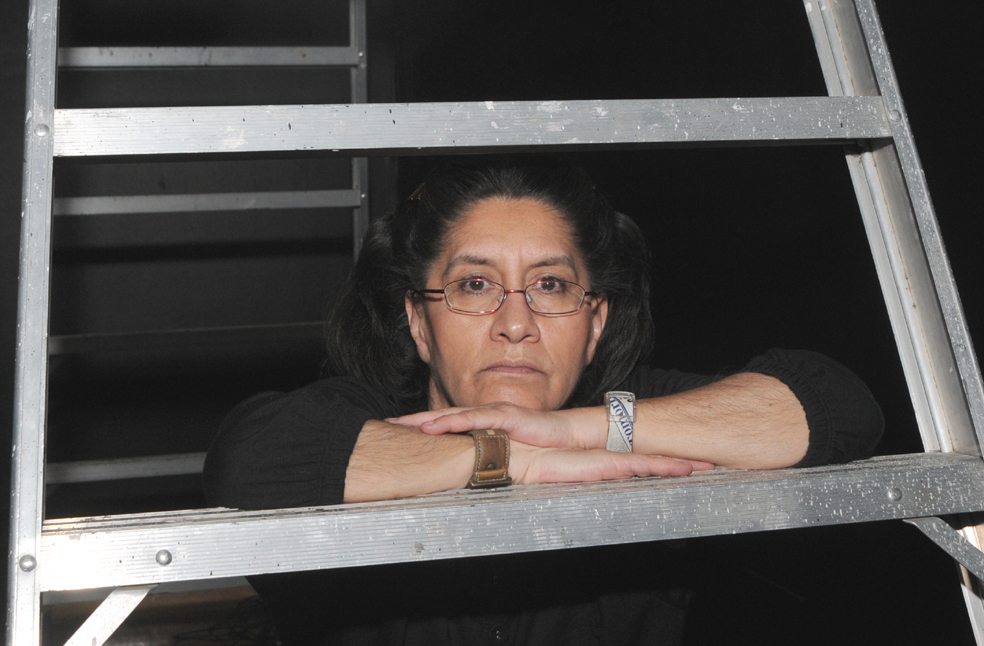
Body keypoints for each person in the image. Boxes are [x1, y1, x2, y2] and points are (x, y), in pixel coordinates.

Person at [204, 160, 883, 645]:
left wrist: (579, 432)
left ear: (595, 322)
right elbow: (247, 461)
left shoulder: (629, 417)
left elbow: (837, 405)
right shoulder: (369, 418)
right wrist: (511, 460)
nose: (515, 322)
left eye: (551, 285)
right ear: (418, 322)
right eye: (474, 284)